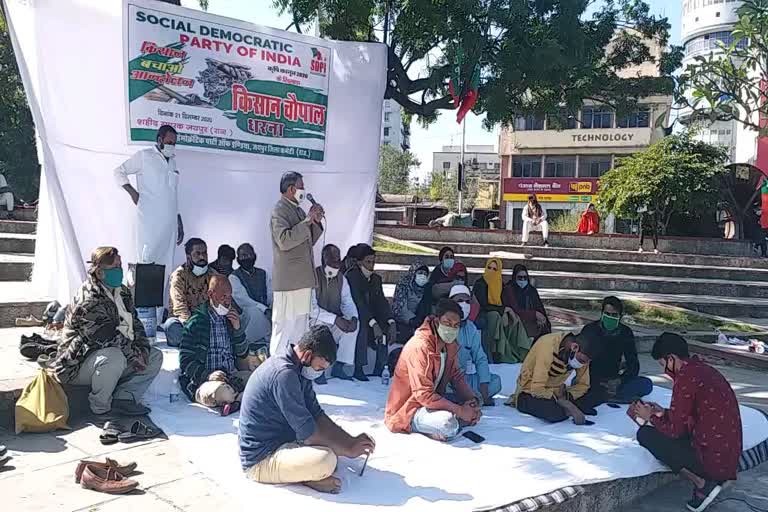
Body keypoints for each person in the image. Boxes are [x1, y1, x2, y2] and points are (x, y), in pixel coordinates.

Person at [239, 325, 375, 494]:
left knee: (333, 448)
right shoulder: (284, 375)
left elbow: (317, 415)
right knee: (327, 459)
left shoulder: (299, 370)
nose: (318, 373)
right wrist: (348, 448)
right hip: (261, 459)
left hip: (284, 443)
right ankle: (308, 478)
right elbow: (309, 434)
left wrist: (350, 440)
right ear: (308, 355)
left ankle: (306, 473)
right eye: (319, 368)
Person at [630, 333, 742, 512]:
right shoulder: (701, 369)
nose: (664, 370)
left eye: (663, 364)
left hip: (713, 459)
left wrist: (649, 417)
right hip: (727, 456)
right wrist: (663, 413)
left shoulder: (686, 378)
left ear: (671, 358)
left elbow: (675, 430)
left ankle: (703, 484)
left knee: (646, 435)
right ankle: (712, 477)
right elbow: (693, 415)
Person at [51, 247, 162, 416]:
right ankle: (100, 407)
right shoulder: (88, 299)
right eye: (114, 268)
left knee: (155, 356)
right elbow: (107, 335)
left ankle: (124, 399)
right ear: (100, 272)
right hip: (78, 363)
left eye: (120, 265)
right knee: (114, 357)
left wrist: (143, 349)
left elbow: (136, 323)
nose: (119, 271)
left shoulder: (123, 292)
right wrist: (134, 356)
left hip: (118, 351)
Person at [385, 299, 481, 441]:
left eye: (456, 326)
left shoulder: (450, 344)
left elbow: (456, 376)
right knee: (448, 423)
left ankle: (448, 423)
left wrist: (471, 400)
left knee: (475, 405)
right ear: (436, 322)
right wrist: (460, 411)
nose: (451, 328)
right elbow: (423, 395)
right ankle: (425, 427)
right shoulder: (420, 346)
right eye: (447, 323)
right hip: (410, 408)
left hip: (433, 401)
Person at [114, 125, 183, 277]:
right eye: (169, 142)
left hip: (169, 226)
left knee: (166, 266)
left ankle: (160, 302)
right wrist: (133, 193)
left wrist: (178, 220)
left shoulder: (172, 162)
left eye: (174, 143)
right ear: (160, 140)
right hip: (149, 224)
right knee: (147, 262)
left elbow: (173, 194)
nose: (172, 146)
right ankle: (146, 301)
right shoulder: (144, 156)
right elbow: (119, 171)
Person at [269, 171, 324, 356]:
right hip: (288, 283)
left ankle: (294, 368)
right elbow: (284, 241)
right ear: (292, 189)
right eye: (301, 186)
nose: (304, 190)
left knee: (300, 329)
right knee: (284, 327)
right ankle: (274, 369)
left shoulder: (298, 211)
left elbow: (308, 242)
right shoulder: (279, 210)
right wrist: (307, 221)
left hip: (302, 281)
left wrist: (314, 222)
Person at [178, 275, 253, 407]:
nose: (227, 301)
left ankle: (236, 401)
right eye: (223, 296)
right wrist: (209, 375)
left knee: (257, 381)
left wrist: (237, 330)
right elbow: (185, 361)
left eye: (229, 297)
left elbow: (243, 354)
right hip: (206, 381)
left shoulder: (230, 319)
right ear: (211, 294)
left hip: (231, 377)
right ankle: (239, 399)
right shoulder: (197, 322)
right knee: (222, 392)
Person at [507, 330, 601, 425]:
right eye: (581, 360)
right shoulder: (547, 346)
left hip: (558, 392)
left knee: (595, 395)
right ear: (574, 347)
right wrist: (562, 401)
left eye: (586, 362)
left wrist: (568, 395)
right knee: (554, 413)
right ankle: (564, 408)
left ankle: (565, 406)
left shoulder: (582, 356)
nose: (582, 364)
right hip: (530, 391)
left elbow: (583, 385)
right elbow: (537, 389)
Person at [581, 296, 652, 404]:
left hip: (614, 379)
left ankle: (609, 394)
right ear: (602, 313)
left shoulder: (625, 333)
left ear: (620, 316)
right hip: (591, 378)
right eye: (607, 314)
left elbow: (633, 363)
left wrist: (620, 380)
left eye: (614, 315)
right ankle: (610, 395)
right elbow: (580, 361)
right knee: (581, 387)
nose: (610, 317)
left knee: (646, 384)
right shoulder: (590, 330)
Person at [345, 244, 395, 380]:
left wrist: (391, 321)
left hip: (372, 316)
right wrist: (373, 324)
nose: (371, 265)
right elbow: (359, 303)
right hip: (355, 314)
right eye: (368, 262)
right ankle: (358, 368)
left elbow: (382, 302)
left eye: (373, 262)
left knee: (385, 326)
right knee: (362, 326)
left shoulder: (376, 279)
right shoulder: (352, 276)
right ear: (360, 262)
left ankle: (380, 367)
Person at [309, 244, 359, 381]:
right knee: (320, 327)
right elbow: (312, 309)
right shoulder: (313, 276)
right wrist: (336, 319)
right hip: (315, 320)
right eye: (331, 260)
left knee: (354, 326)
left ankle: (339, 366)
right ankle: (319, 371)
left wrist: (353, 318)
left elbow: (347, 302)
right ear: (323, 259)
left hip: (335, 319)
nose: (335, 263)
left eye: (337, 260)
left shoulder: (342, 278)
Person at [450, 285, 501, 406]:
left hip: (463, 379)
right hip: (445, 381)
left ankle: (470, 398)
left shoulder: (471, 328)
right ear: (451, 303)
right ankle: (470, 399)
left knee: (495, 381)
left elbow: (480, 358)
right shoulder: (443, 325)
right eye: (460, 301)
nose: (464, 304)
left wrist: (484, 385)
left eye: (467, 301)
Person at [473, 258, 529, 363]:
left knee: (513, 318)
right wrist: (503, 309)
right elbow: (484, 305)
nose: (491, 271)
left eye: (495, 269)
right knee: (495, 316)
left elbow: (505, 302)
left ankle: (521, 353)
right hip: (483, 314)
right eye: (489, 268)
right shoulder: (480, 283)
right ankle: (502, 355)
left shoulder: (501, 284)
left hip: (498, 311)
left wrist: (507, 311)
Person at [162, 238, 212, 347]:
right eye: (197, 254)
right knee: (172, 326)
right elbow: (179, 307)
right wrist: (192, 327)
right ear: (188, 257)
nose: (202, 257)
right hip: (184, 322)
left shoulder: (212, 275)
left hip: (206, 322)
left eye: (204, 253)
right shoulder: (179, 275)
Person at [229, 243, 272, 347]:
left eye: (249, 254)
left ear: (255, 256)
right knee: (253, 311)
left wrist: (271, 308)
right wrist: (264, 309)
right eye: (243, 255)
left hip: (267, 313)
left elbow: (271, 293)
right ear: (238, 259)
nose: (246, 257)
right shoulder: (233, 277)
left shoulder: (263, 273)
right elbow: (244, 301)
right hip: (247, 316)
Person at [502, 264, 551, 340]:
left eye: (525, 277)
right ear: (514, 277)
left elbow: (539, 307)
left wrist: (542, 318)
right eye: (519, 277)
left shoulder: (531, 290)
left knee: (544, 327)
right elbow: (515, 310)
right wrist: (534, 314)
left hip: (531, 320)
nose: (522, 280)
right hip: (516, 320)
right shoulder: (509, 290)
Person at [391, 261, 430, 343]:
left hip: (419, 321)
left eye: (425, 274)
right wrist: (412, 319)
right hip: (403, 322)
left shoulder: (427, 289)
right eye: (420, 273)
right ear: (413, 273)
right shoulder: (403, 285)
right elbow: (399, 308)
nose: (423, 276)